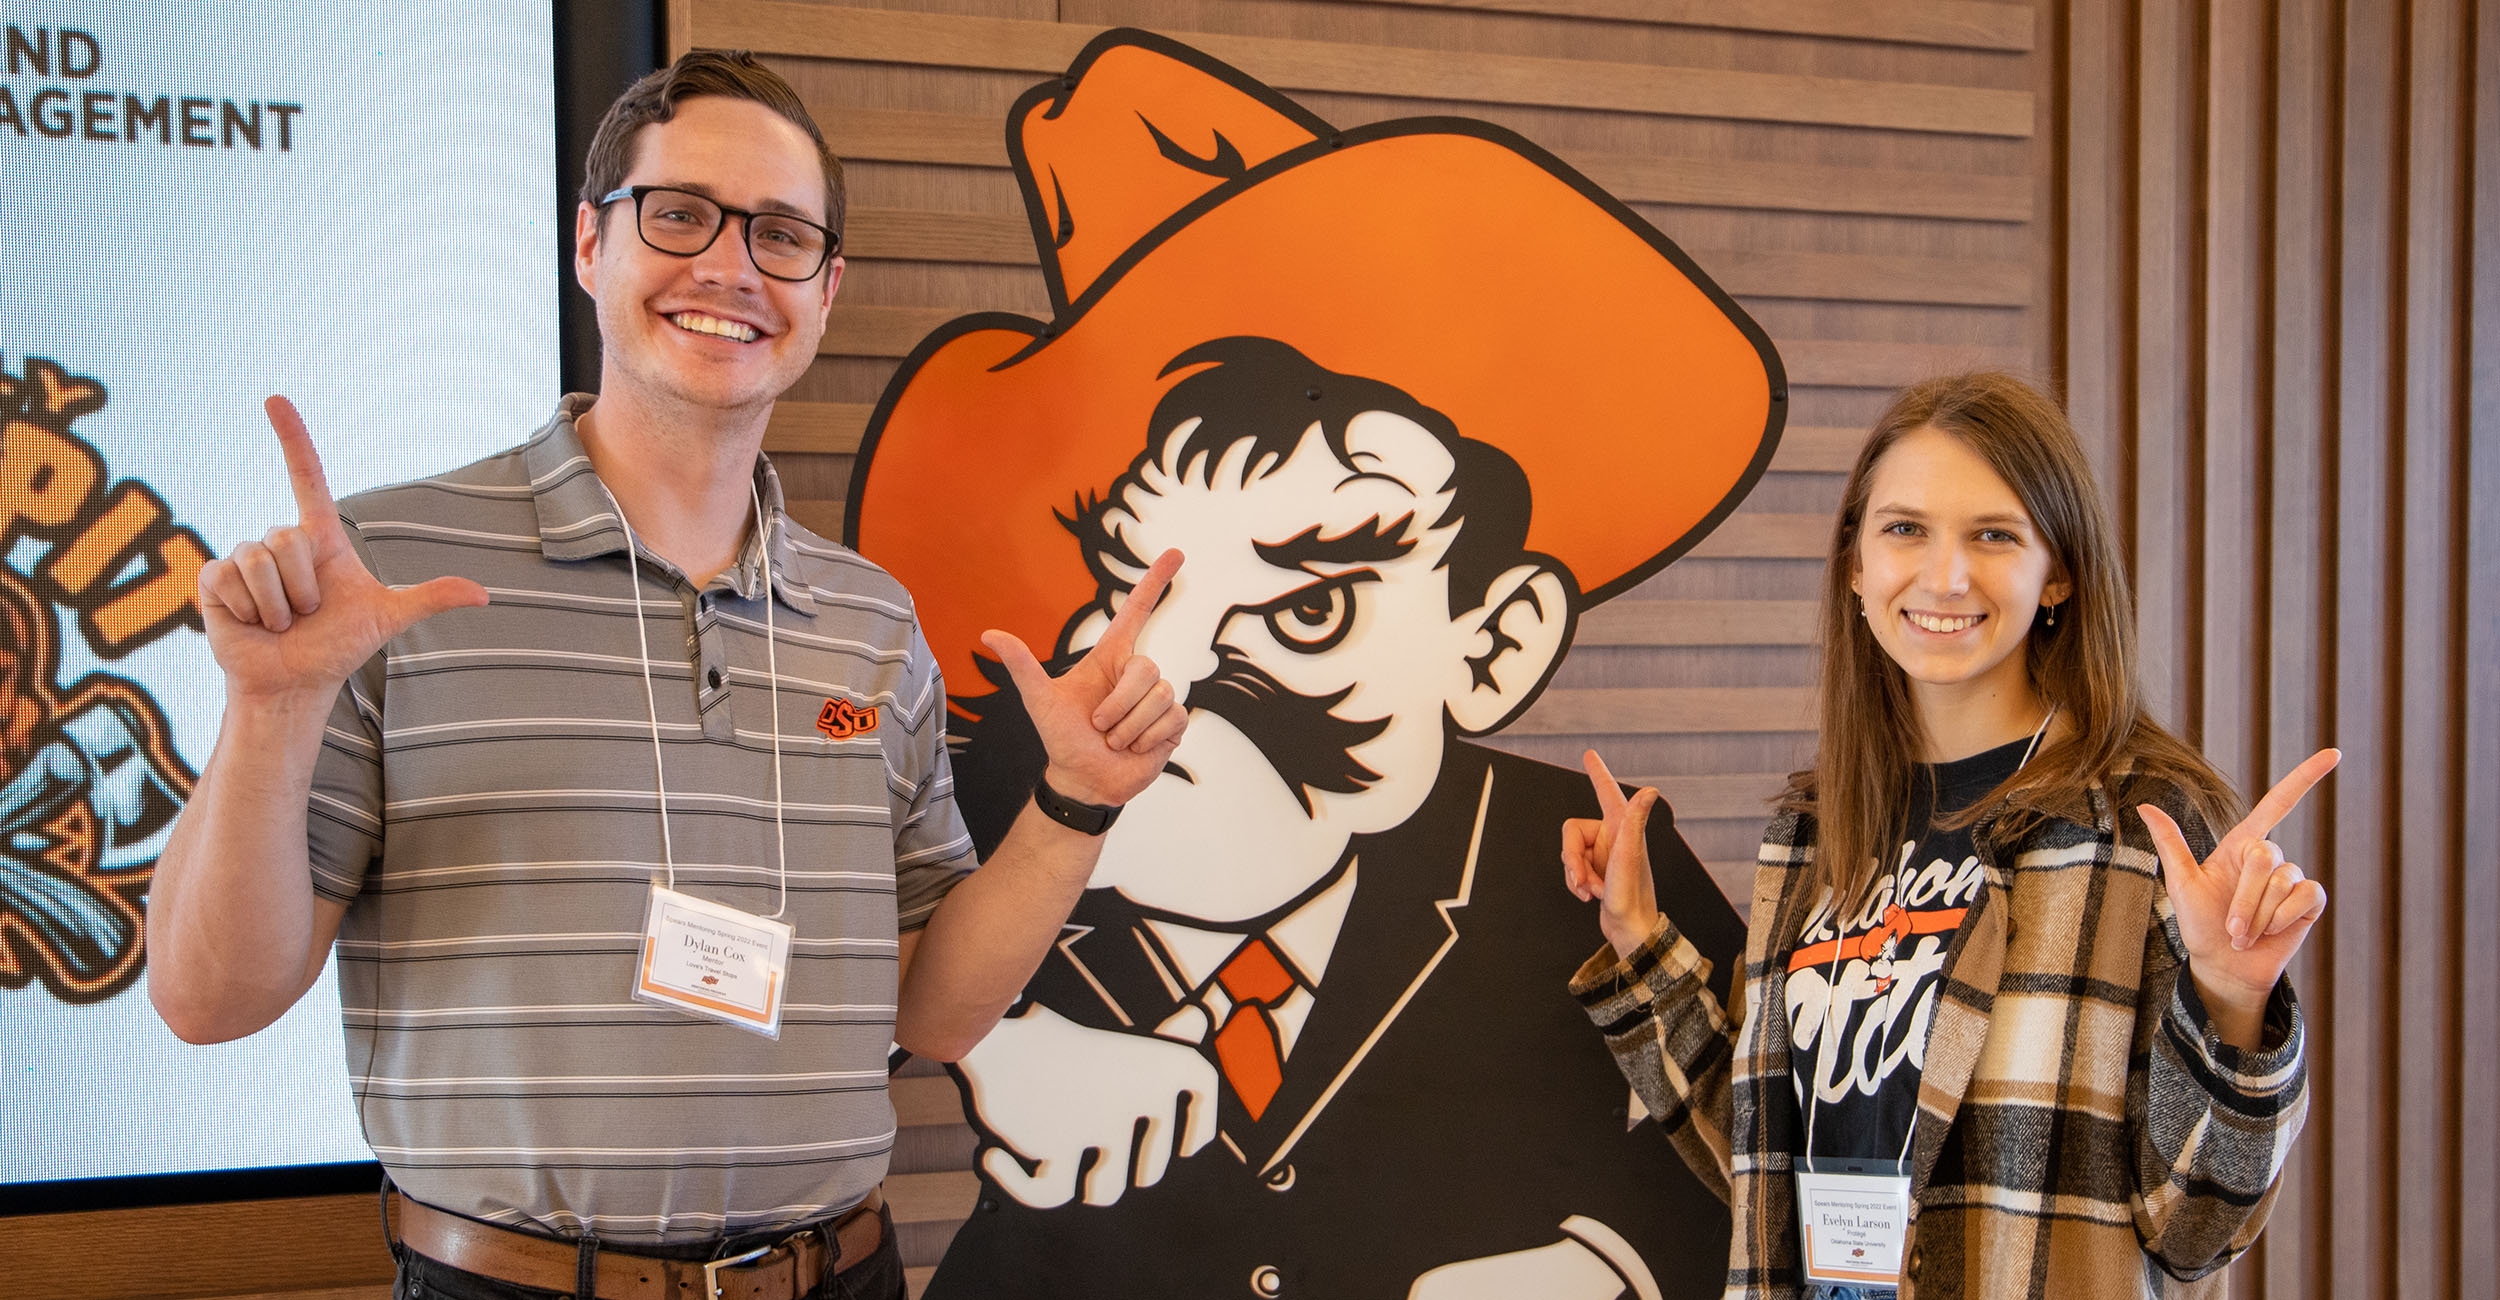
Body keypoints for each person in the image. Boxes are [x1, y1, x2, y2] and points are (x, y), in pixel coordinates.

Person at [143, 49, 1187, 1300]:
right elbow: (208, 1001)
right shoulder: (386, 574)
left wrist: (1077, 799)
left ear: (827, 286)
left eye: (782, 235)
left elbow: (935, 1016)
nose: (732, 267)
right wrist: (270, 708)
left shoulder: (868, 621)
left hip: (838, 1274)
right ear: (591, 244)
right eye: (680, 214)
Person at [1563, 372, 2332, 1300]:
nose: (1944, 575)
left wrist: (2233, 1003)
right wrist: (1640, 943)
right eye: (1905, 529)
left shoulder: (2143, 825)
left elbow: (2194, 1233)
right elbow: (1768, 1166)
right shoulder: (1814, 834)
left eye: (1994, 535)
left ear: (2060, 574)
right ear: (1855, 566)